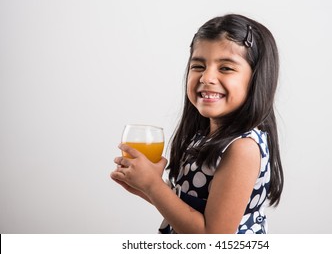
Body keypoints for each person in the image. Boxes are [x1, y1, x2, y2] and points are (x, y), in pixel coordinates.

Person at [111, 13, 284, 234]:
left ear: (256, 79)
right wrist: (147, 187)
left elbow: (212, 237)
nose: (206, 77)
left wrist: (153, 186)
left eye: (226, 68)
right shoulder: (204, 136)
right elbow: (192, 211)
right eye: (198, 66)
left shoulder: (242, 148)